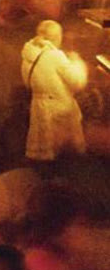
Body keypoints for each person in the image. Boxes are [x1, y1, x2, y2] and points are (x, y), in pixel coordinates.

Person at [21, 20, 87, 163]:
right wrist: (77, 62)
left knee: (44, 153)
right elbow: (77, 81)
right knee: (65, 154)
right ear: (56, 37)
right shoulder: (55, 56)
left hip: (39, 108)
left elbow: (27, 83)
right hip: (59, 110)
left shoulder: (28, 55)